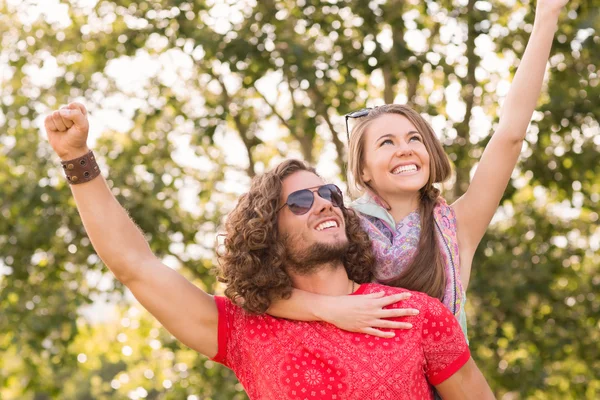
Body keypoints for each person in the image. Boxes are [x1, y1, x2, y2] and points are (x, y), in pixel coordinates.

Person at [44, 108, 494, 398]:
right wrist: (78, 159)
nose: (322, 203)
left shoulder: (415, 314)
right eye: (299, 201)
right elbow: (135, 266)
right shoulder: (245, 329)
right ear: (268, 233)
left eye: (329, 193)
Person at [266, 0, 569, 340]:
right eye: (387, 143)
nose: (406, 148)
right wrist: (331, 309)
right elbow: (261, 292)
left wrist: (547, 15)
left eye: (414, 138)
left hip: (446, 386)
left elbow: (511, 135)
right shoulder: (341, 230)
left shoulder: (458, 227)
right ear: (363, 171)